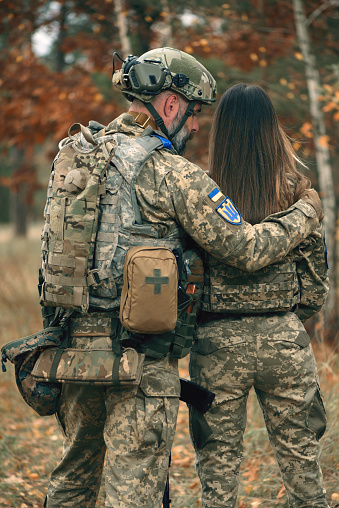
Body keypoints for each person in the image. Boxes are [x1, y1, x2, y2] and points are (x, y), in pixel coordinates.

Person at [43, 49, 324, 508]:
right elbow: (248, 248)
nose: (195, 126)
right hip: (138, 361)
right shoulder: (173, 173)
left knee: (72, 480)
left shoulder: (76, 154)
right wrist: (307, 212)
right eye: (193, 113)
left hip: (72, 352)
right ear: (171, 105)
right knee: (132, 491)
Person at [189, 83, 330, 508]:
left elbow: (188, 275)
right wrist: (285, 318)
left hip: (216, 344)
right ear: (270, 128)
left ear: (223, 131)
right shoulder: (297, 193)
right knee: (304, 469)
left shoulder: (202, 192)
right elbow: (316, 283)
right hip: (283, 339)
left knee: (218, 472)